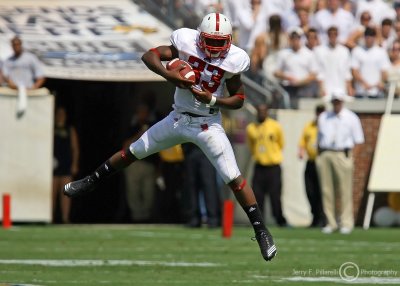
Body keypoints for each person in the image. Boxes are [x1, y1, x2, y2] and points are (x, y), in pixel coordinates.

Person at [63, 12, 277, 262]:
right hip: (177, 118)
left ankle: (261, 230)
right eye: (212, 41)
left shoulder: (234, 60)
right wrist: (169, 75)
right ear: (199, 37)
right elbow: (149, 55)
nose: (217, 47)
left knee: (233, 177)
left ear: (229, 41)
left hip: (208, 124)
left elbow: (239, 99)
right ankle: (90, 180)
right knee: (133, 151)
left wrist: (213, 99)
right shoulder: (186, 42)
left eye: (221, 42)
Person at [316, 90, 365, 234]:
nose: (336, 104)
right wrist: (319, 155)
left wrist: (351, 158)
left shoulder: (351, 117)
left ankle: (346, 223)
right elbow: (319, 138)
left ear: (342, 102)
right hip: (326, 153)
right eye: (334, 101)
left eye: (338, 101)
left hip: (342, 154)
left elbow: (359, 141)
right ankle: (330, 223)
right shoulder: (324, 117)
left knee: (344, 190)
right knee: (326, 190)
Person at [246, 103, 287, 227]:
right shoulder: (251, 128)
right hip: (259, 166)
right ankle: (259, 221)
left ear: (267, 112)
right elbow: (251, 146)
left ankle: (280, 220)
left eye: (263, 111)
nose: (261, 113)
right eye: (259, 111)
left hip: (273, 167)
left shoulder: (275, 126)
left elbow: (281, 143)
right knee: (257, 196)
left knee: (275, 195)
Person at [122, 102, 159, 223]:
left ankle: (146, 217)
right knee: (133, 192)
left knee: (149, 193)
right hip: (134, 164)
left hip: (149, 164)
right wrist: (139, 134)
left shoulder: (154, 126)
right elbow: (125, 146)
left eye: (145, 113)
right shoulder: (131, 126)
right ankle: (137, 218)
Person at [273, 27, 318, 108]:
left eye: (297, 38)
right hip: (288, 88)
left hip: (304, 89)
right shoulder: (283, 53)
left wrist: (301, 82)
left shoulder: (309, 54)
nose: (295, 40)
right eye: (293, 38)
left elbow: (313, 74)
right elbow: (276, 72)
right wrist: (287, 77)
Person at [298, 104, 326, 227]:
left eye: (322, 112)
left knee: (322, 191)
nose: (320, 115)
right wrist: (301, 150)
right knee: (310, 190)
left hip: (323, 161)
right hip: (311, 162)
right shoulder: (309, 125)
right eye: (318, 112)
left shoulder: (327, 125)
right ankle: (315, 215)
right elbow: (303, 141)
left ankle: (323, 218)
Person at [182, 143, 220, 228]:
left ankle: (213, 218)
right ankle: (193, 218)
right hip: (190, 150)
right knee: (191, 185)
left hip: (206, 151)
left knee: (209, 185)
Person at [53, 106, 80, 223]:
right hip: (53, 165)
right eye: (58, 113)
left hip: (66, 163)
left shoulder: (70, 129)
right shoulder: (50, 127)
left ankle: (65, 217)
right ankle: (51, 217)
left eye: (63, 114)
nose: (60, 116)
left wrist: (74, 164)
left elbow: (75, 148)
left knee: (66, 192)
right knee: (52, 192)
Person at [351, 27, 391, 98]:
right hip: (361, 92)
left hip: (377, 93)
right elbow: (354, 71)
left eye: (371, 36)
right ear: (364, 37)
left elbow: (384, 71)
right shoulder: (357, 51)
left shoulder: (381, 52)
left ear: (375, 37)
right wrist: (364, 84)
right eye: (367, 36)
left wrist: (381, 82)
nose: (369, 39)